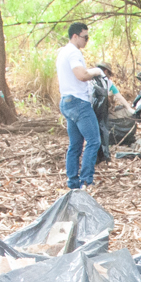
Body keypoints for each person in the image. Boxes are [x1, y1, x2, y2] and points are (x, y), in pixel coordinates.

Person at [55, 22, 106, 189]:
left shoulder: (62, 52)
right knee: (93, 141)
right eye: (85, 37)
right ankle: (86, 180)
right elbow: (81, 75)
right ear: (75, 36)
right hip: (78, 103)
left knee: (75, 144)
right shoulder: (73, 53)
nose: (87, 40)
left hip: (67, 102)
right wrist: (97, 71)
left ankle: (73, 182)